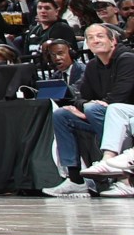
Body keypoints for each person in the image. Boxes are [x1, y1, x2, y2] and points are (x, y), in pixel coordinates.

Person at [50, 22, 134, 193]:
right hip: (103, 111)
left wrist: (92, 106)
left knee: (95, 110)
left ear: (113, 41)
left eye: (100, 36)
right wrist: (85, 106)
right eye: (90, 38)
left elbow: (121, 95)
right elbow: (79, 97)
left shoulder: (127, 59)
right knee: (62, 115)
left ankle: (114, 168)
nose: (95, 40)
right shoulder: (92, 65)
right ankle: (75, 179)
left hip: (125, 113)